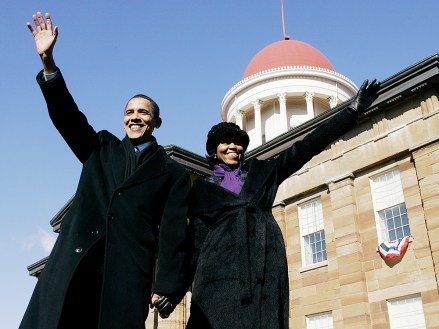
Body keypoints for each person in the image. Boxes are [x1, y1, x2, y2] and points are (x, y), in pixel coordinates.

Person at [20, 12, 191, 329]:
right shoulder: (100, 148)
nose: (135, 117)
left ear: (156, 121)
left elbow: (173, 232)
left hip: (125, 276)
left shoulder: (172, 173)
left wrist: (167, 285)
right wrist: (48, 63)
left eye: (143, 112)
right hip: (76, 266)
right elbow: (67, 116)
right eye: (129, 112)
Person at [186, 79, 380, 329]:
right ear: (214, 150)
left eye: (238, 142)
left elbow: (306, 147)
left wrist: (351, 112)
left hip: (263, 262)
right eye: (225, 142)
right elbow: (197, 244)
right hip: (218, 272)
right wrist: (173, 289)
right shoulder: (201, 189)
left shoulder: (263, 171)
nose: (233, 146)